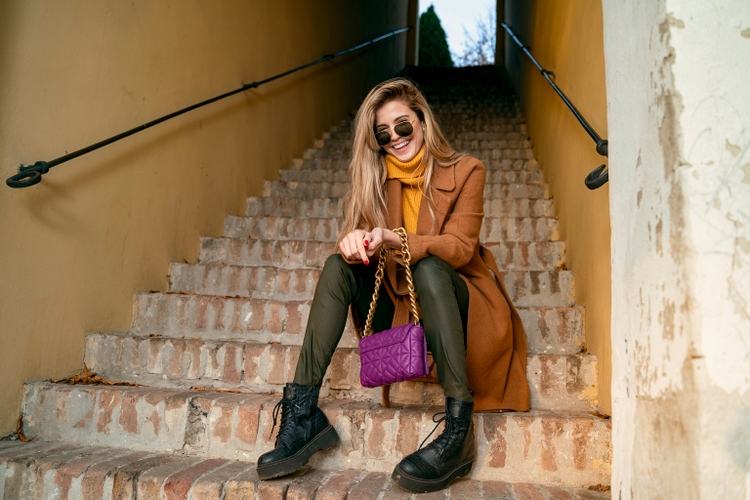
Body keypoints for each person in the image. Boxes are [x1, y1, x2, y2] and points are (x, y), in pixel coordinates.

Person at [256, 78, 530, 493]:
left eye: (403, 126)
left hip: (456, 301)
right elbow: (355, 247)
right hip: (399, 307)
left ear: (422, 120)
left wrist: (395, 238)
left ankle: (459, 429)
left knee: (431, 267)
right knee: (335, 266)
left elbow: (458, 248)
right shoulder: (373, 178)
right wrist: (352, 243)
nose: (395, 139)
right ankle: (302, 415)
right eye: (383, 134)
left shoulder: (467, 170)